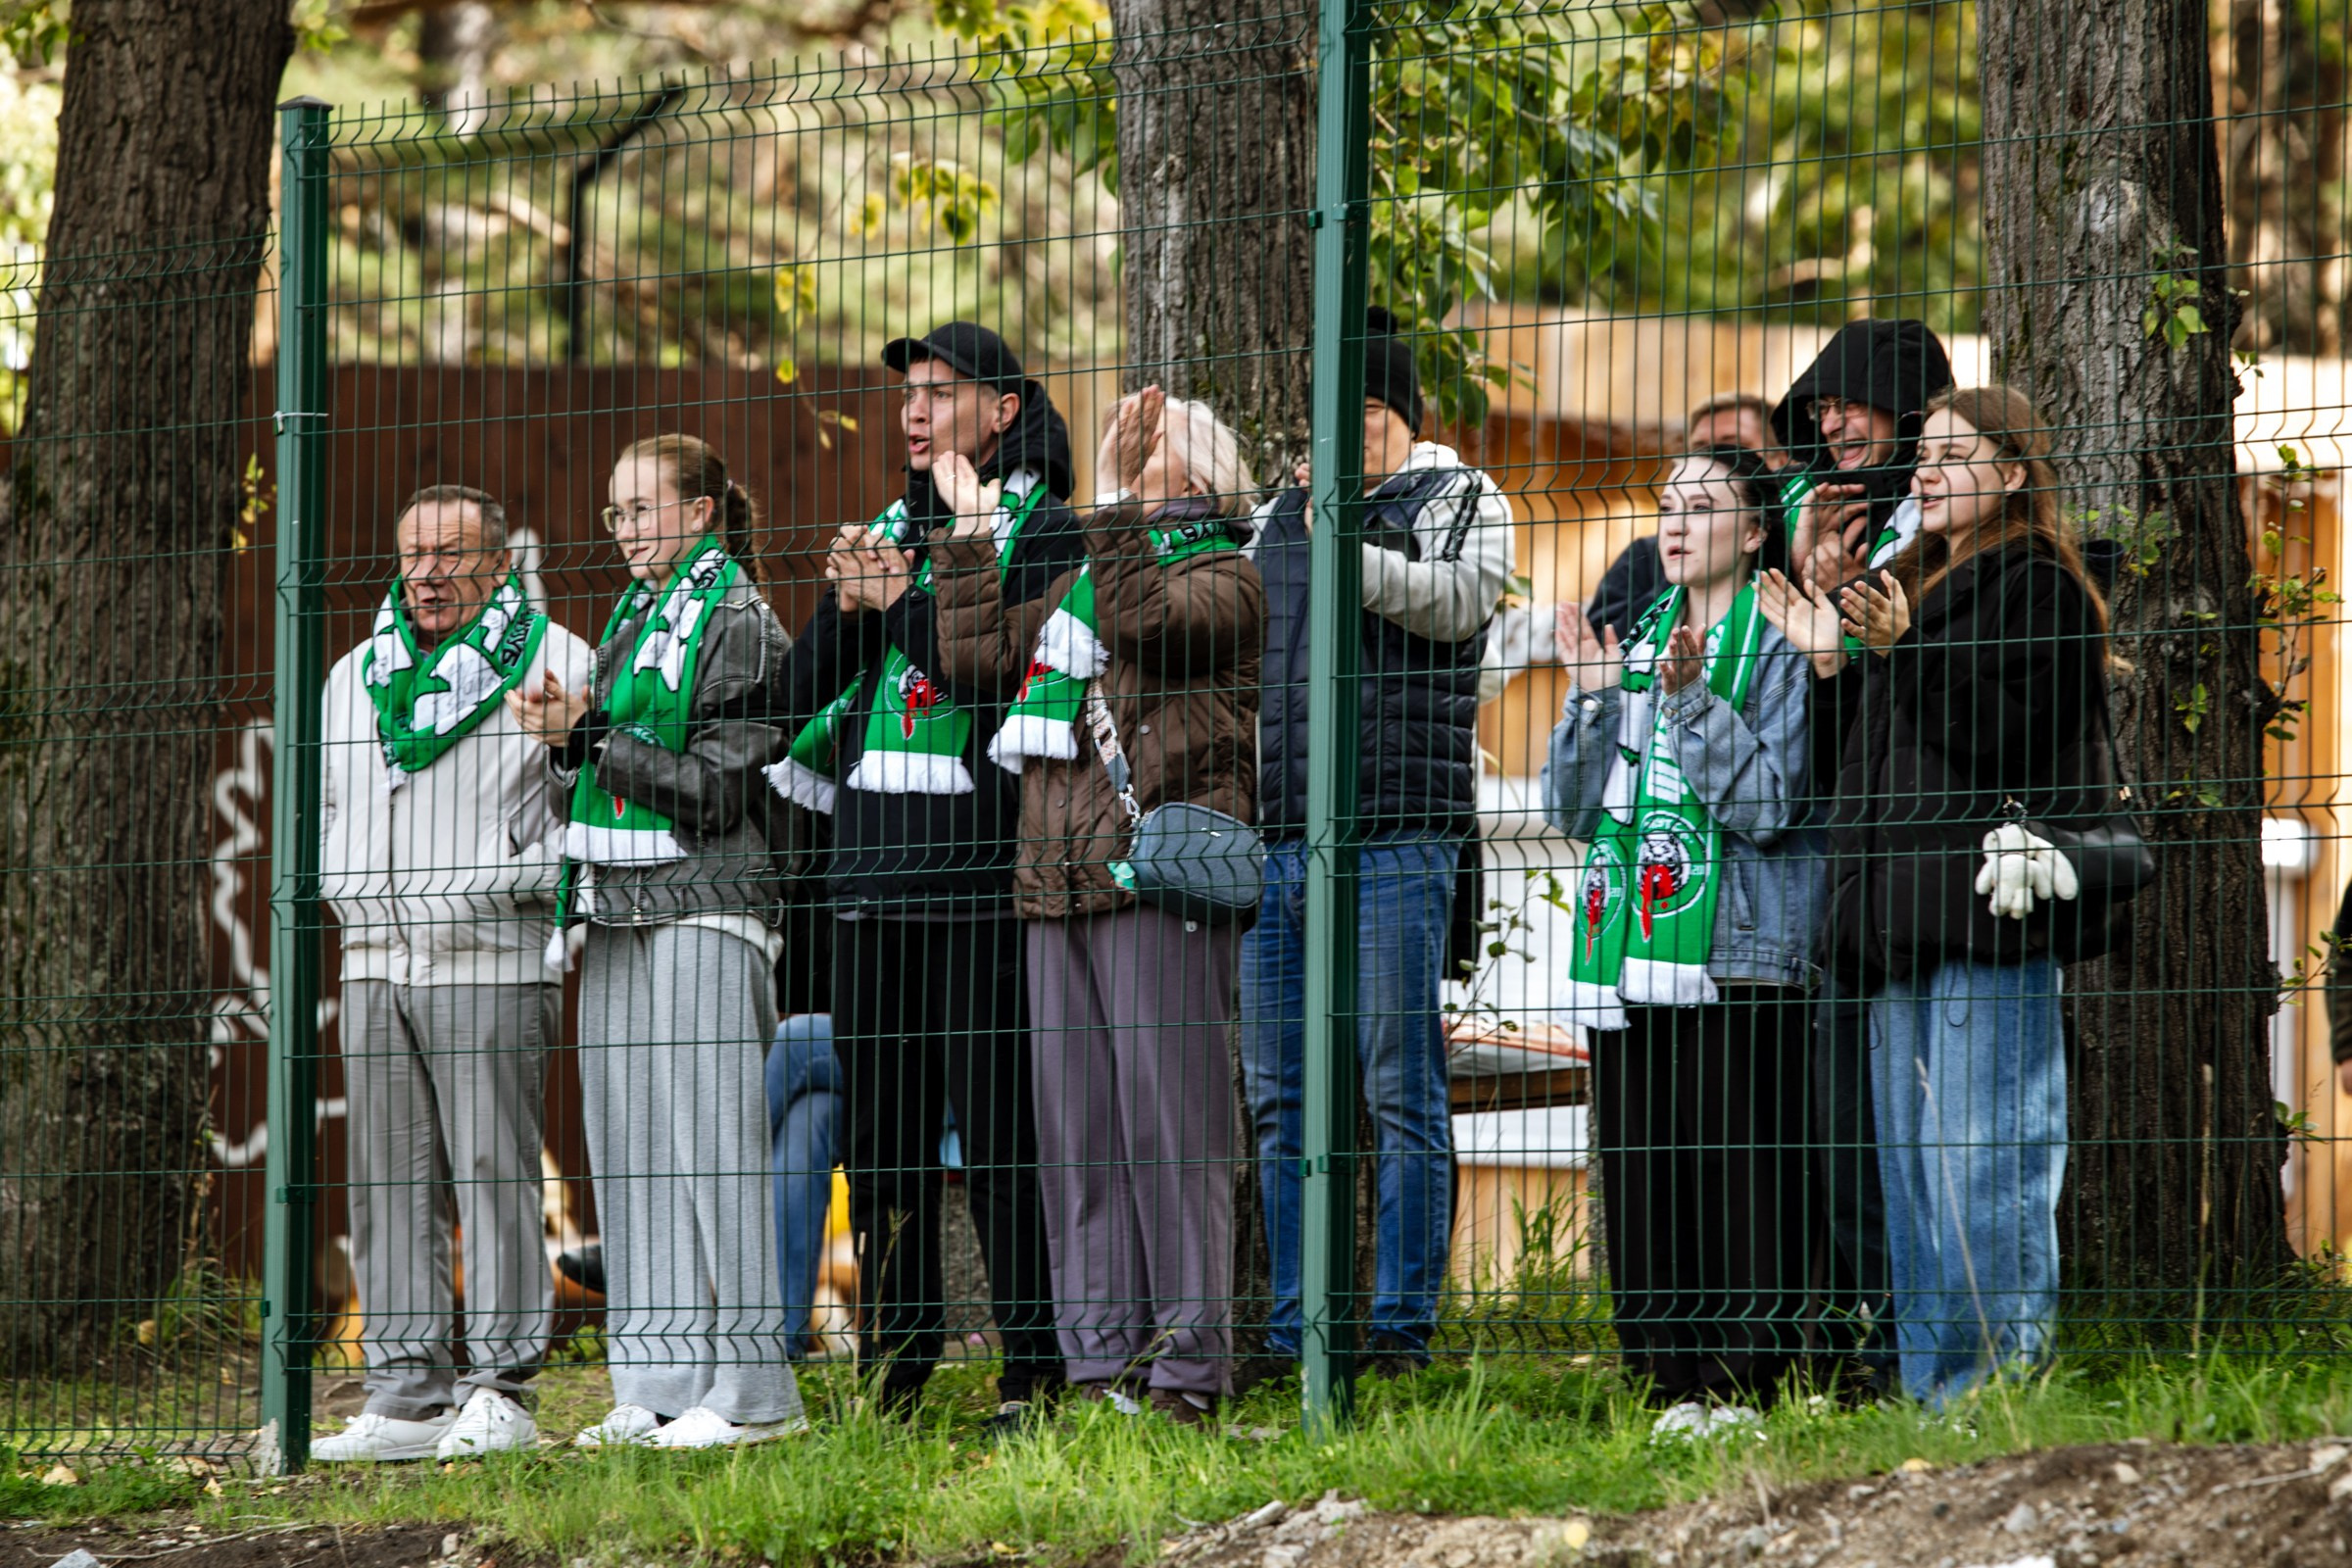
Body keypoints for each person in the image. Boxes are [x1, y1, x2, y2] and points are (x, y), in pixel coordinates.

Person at [1758, 385, 2116, 1405]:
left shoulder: (2043, 584)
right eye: (1926, 452)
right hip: (1890, 924)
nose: (1926, 470)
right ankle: (1932, 1390)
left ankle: (1999, 1390)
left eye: (1955, 453)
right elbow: (1862, 769)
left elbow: (2002, 742)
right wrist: (1834, 668)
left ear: (2012, 472)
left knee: (1986, 1161)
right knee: (1914, 1175)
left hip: (1982, 916)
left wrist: (1906, 650)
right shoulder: (1904, 576)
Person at [930, 385, 1265, 1427]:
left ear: (1198, 476)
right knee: (1078, 1138)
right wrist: (970, 541)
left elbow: (1146, 625)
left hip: (1150, 881)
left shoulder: (1227, 577)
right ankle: (1101, 1366)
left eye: (1146, 451)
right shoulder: (1084, 578)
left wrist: (1111, 498)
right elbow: (976, 658)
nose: (1121, 463)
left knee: (1175, 1134)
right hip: (1055, 887)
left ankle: (1187, 1374)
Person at [770, 321, 1082, 1431]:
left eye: (940, 393)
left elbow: (992, 684)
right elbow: (797, 692)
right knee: (882, 1144)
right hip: (868, 882)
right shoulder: (895, 525)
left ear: (1002, 411)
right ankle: (895, 1379)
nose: (912, 411)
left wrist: (896, 600)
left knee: (1002, 1139)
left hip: (981, 882)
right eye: (907, 392)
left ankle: (1032, 1372)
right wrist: (847, 600)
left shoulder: (1046, 535)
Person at [508, 434, 807, 1449]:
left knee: (711, 1149)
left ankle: (754, 1393)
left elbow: (718, 790)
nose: (628, 530)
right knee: (628, 1148)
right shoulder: (636, 618)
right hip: (618, 905)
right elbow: (594, 779)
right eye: (616, 513)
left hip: (708, 904)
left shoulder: (739, 621)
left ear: (704, 511)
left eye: (643, 508)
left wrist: (589, 735)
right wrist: (563, 740)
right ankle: (657, 1381)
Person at [1240, 309, 1516, 1372]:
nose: (1335, 436)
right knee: (1280, 1101)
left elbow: (1457, 604)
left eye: (1355, 415)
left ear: (1397, 416)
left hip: (1400, 836)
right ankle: (1296, 1329)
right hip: (1279, 843)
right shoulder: (1277, 512)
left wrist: (1337, 544)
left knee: (1401, 1089)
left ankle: (1400, 1330)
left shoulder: (1462, 497)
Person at [1542, 446, 1823, 1424]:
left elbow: (1769, 807)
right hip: (1625, 947)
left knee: (1734, 1167)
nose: (1675, 522)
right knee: (1646, 1163)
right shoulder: (1639, 635)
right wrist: (1586, 695)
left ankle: (1742, 1379)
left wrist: (1694, 700)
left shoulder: (1778, 645)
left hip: (1732, 952)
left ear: (1753, 533)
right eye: (1667, 504)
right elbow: (1572, 810)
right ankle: (1665, 1378)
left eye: (1703, 506)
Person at [313, 485, 591, 1462]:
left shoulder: (561, 661)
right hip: (375, 960)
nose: (427, 572)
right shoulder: (353, 676)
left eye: (451, 554)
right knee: (386, 1180)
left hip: (490, 957)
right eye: (413, 554)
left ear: (498, 563)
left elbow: (575, 821)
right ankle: (405, 1394)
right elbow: (333, 811)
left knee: (492, 1170)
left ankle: (501, 1388)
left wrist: (496, 885)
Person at [1585, 393, 1786, 643]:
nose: (1712, 458)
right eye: (1701, 448)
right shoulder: (1645, 555)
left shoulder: (1802, 547)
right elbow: (1601, 649)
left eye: (1731, 446)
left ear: (1782, 460)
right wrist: (1682, 585)